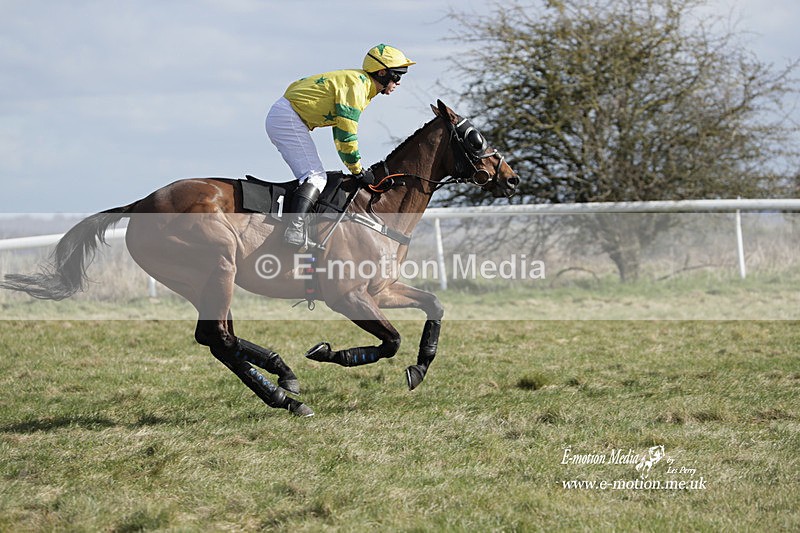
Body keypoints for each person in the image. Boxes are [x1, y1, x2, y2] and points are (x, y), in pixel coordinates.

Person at [265, 44, 415, 247]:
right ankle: (294, 229)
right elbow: (346, 133)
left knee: (315, 175)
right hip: (287, 118)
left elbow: (340, 128)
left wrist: (355, 168)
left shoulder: (360, 83)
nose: (398, 82)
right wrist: (358, 169)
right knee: (315, 176)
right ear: (381, 73)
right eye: (397, 76)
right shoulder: (358, 87)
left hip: (287, 115)